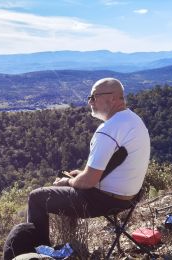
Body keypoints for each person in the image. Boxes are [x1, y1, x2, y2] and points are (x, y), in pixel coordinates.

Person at [27, 77, 151, 246]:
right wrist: (83, 175)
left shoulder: (108, 130)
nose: (90, 102)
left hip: (104, 200)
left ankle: (37, 251)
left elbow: (89, 181)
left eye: (94, 97)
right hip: (130, 197)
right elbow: (115, 162)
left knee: (36, 198)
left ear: (113, 98)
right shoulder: (134, 121)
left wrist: (69, 181)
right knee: (74, 182)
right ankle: (70, 245)